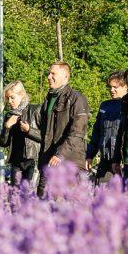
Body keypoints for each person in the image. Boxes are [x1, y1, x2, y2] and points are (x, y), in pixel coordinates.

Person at [36, 61, 90, 197]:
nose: (49, 76)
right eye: (49, 73)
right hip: (48, 162)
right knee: (42, 203)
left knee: (68, 207)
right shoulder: (48, 99)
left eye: (53, 73)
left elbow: (78, 131)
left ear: (65, 76)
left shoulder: (77, 98)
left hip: (69, 162)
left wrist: (60, 154)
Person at [86, 72, 128, 185]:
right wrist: (89, 156)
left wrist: (124, 159)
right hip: (105, 159)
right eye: (110, 87)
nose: (112, 90)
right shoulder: (105, 105)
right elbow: (96, 133)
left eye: (115, 87)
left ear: (125, 86)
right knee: (101, 196)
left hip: (123, 162)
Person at [0, 81, 41, 187]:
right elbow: (2, 143)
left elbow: (45, 136)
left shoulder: (35, 110)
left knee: (28, 196)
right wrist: (7, 128)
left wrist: (29, 130)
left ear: (21, 95)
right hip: (16, 162)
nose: (9, 101)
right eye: (8, 98)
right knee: (15, 197)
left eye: (12, 97)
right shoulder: (9, 115)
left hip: (33, 160)